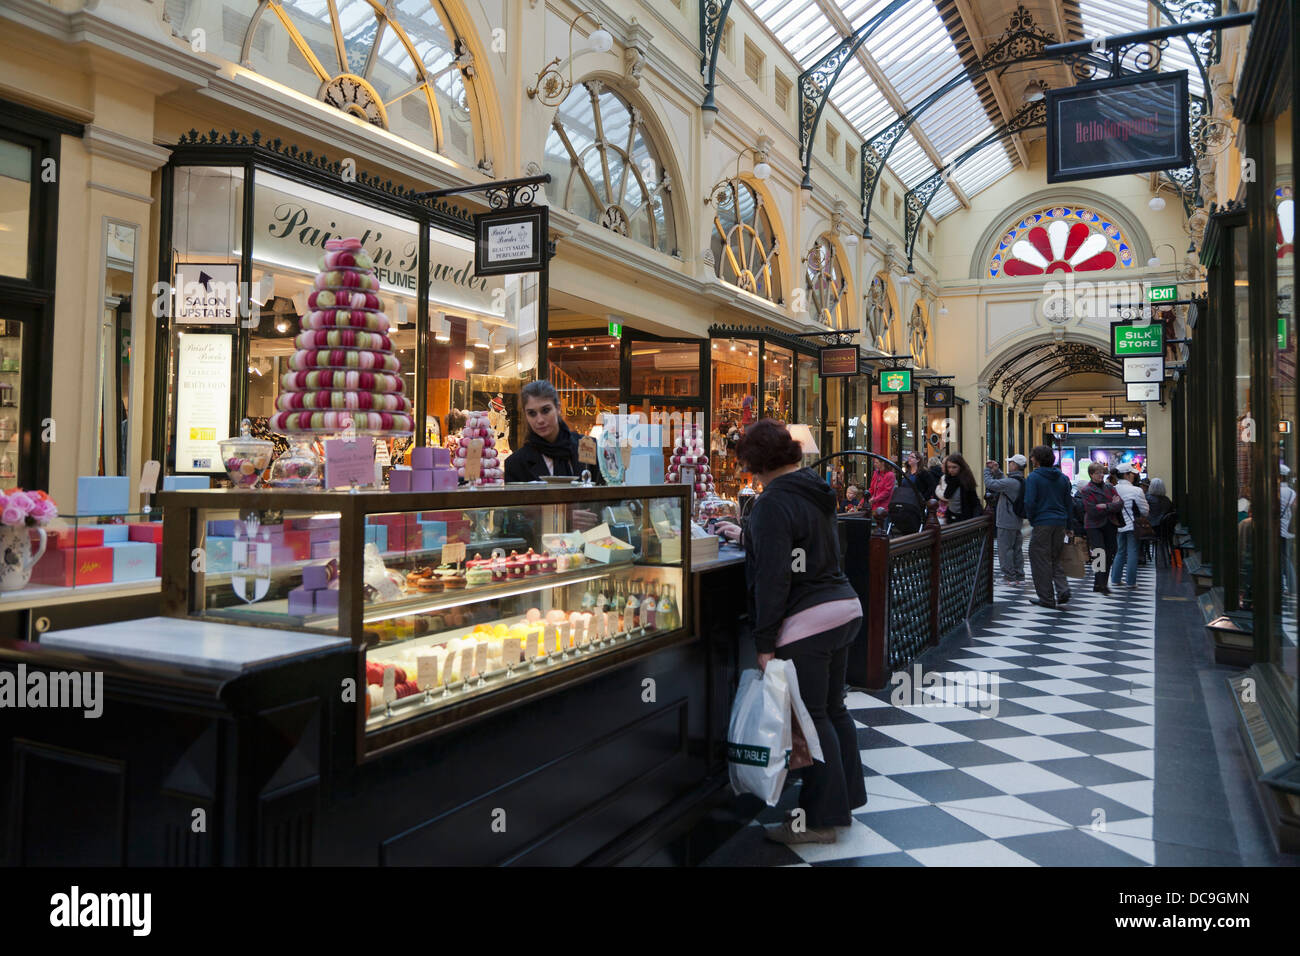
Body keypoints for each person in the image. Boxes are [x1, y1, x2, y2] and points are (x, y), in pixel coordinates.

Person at [716, 420, 865, 845]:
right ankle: (846, 800)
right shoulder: (814, 490)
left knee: (812, 719)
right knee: (832, 710)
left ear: (754, 463)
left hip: (808, 620)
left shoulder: (772, 502)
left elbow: (774, 576)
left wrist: (764, 643)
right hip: (843, 607)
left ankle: (819, 821)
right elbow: (801, 548)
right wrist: (748, 535)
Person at [503, 381, 602, 532]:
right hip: (541, 551)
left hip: (590, 546)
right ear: (525, 414)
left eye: (545, 410)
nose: (540, 420)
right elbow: (514, 524)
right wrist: (562, 519)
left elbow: (604, 501)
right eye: (532, 413)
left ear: (558, 408)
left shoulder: (587, 445)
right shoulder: (516, 463)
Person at [1024, 444, 1073, 608]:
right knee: (1055, 557)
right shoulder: (1063, 478)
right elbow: (1068, 503)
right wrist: (1069, 525)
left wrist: (1033, 519)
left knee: (1039, 559)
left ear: (1037, 459)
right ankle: (1062, 588)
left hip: (1042, 522)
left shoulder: (1033, 477)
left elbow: (1029, 502)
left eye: (1032, 456)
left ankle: (1046, 598)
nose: (1031, 459)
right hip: (1060, 522)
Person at [984, 454, 1028, 586]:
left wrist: (987, 470)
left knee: (1005, 550)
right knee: (1016, 549)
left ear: (1014, 465)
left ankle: (1009, 577)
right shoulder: (1019, 481)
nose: (1009, 465)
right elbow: (1004, 482)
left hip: (1006, 520)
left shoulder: (1011, 483)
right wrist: (997, 471)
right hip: (1015, 521)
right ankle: (1019, 575)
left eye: (1010, 463)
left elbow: (990, 484)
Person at [1080, 461, 1122, 595]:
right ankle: (1101, 584)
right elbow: (1092, 510)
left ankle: (1099, 583)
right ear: (1091, 474)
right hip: (1094, 525)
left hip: (1110, 523)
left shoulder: (1109, 487)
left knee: (1110, 552)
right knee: (1099, 553)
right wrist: (1111, 505)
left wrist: (1105, 506)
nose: (1101, 475)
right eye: (1097, 473)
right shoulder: (1087, 490)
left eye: (1102, 473)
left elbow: (1120, 503)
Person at [1110, 462, 1149, 589]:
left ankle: (1115, 578)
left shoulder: (1113, 489)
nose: (1133, 476)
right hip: (1132, 525)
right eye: (1132, 474)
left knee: (1120, 551)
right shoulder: (1136, 490)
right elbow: (1144, 510)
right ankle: (1131, 581)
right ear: (1126, 475)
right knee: (1132, 551)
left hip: (1118, 525)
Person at [938, 454, 981, 522]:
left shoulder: (966, 481)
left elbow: (973, 501)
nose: (951, 470)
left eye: (954, 467)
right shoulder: (949, 479)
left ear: (961, 467)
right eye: (949, 467)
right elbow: (947, 495)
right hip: (951, 516)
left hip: (964, 518)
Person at [1281, 464, 1296, 594]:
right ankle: (1290, 586)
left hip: (1277, 531)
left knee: (1283, 559)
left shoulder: (1275, 491)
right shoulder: (1292, 493)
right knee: (1286, 558)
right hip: (1287, 531)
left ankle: (1290, 586)